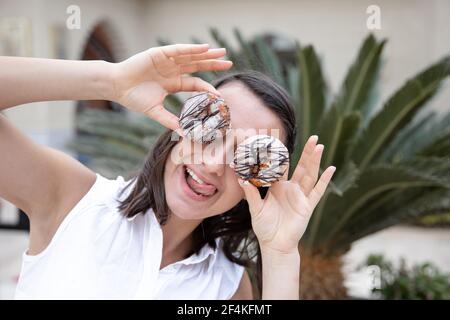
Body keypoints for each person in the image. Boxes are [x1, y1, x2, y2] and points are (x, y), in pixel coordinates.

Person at [0, 43, 336, 299]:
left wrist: (280, 255)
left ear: (258, 184)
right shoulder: (72, 200)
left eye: (246, 157)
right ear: (179, 128)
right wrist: (110, 81)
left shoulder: (227, 284)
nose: (214, 163)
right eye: (210, 129)